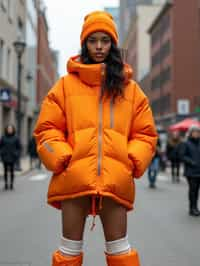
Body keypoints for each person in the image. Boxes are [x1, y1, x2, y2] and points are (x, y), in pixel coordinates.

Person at [34, 11, 157, 266]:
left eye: (105, 40)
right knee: (68, 251)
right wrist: (62, 157)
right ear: (84, 43)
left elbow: (145, 134)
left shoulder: (130, 89)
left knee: (120, 250)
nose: (99, 46)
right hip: (74, 179)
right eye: (93, 40)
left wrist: (131, 160)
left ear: (112, 44)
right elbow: (46, 129)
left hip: (114, 181)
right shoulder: (65, 86)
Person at [180, 125, 200, 216]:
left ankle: (195, 207)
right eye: (195, 132)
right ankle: (192, 208)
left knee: (197, 191)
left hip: (199, 170)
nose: (196, 134)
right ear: (191, 133)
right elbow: (182, 156)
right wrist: (191, 162)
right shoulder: (186, 143)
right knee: (193, 190)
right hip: (191, 171)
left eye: (198, 132)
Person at [0, 124, 21, 190]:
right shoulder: (3, 137)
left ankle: (11, 184)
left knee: (12, 171)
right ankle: (6, 184)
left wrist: (16, 154)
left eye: (11, 129)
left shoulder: (16, 138)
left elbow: (19, 147)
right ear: (6, 130)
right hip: (5, 156)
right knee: (5, 171)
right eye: (8, 129)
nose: (9, 130)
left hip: (12, 157)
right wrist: (2, 152)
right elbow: (0, 146)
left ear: (13, 130)